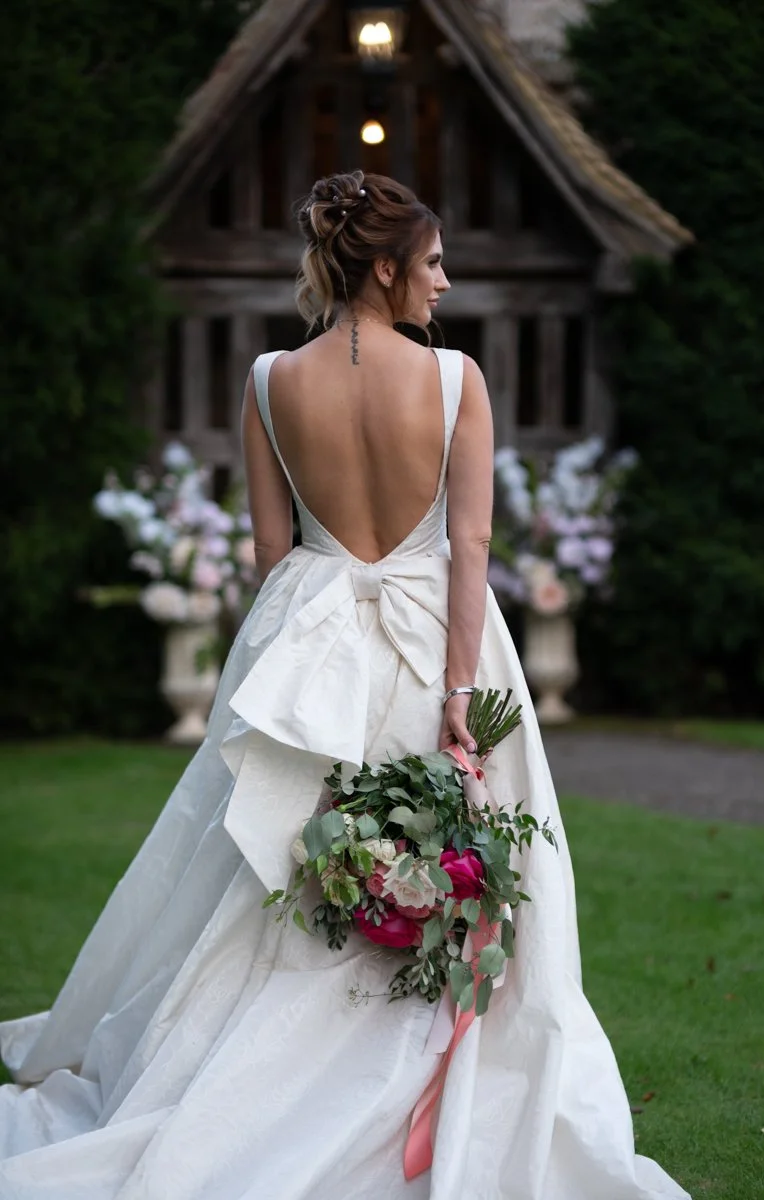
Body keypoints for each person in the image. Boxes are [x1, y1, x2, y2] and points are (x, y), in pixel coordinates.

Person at [0, 171, 691, 1200]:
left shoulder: (270, 377)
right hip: (433, 647)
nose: (444, 283)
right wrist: (458, 695)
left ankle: (242, 1092)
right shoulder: (455, 382)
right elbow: (470, 545)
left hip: (308, 644)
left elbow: (272, 550)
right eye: (432, 263)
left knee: (276, 879)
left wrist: (313, 632)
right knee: (465, 867)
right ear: (383, 266)